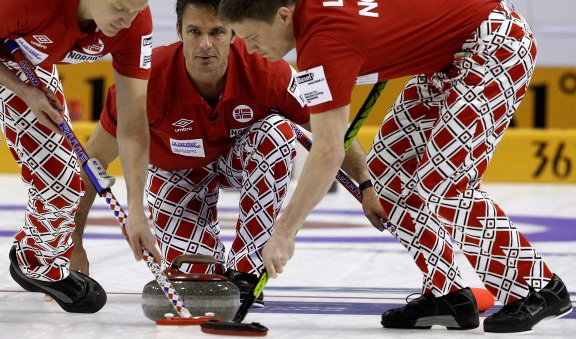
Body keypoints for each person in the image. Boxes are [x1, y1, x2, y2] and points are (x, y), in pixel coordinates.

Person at [218, 0, 572, 333]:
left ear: (282, 15)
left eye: (251, 37)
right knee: (385, 178)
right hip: (446, 56)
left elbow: (328, 151)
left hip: (494, 44)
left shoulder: (323, 45)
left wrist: (282, 233)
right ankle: (448, 294)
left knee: (444, 184)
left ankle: (537, 287)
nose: (249, 49)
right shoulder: (315, 27)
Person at [69, 0, 386, 307]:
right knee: (199, 284)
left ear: (233, 32)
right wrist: (75, 244)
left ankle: (248, 269)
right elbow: (92, 164)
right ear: (178, 31)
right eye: (195, 32)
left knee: (276, 132)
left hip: (241, 161)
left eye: (217, 32)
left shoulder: (269, 71)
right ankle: (207, 267)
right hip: (176, 175)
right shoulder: (144, 82)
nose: (205, 44)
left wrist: (366, 184)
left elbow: (333, 132)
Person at [0, 0, 154, 322]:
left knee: (62, 172)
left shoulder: (134, 22)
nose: (128, 19)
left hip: (16, 39)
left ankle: (39, 261)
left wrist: (136, 209)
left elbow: (133, 125)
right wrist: (24, 91)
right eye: (120, 7)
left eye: (137, 8)